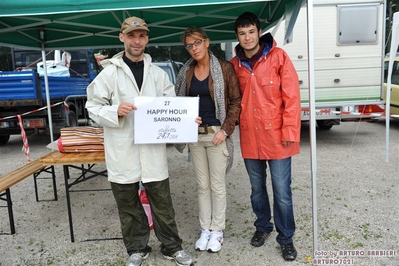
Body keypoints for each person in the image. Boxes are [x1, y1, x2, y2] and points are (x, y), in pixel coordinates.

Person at [85, 16, 193, 266]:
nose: (137, 40)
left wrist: (186, 122)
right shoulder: (109, 74)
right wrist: (114, 111)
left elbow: (171, 106)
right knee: (128, 204)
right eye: (131, 36)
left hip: (152, 151)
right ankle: (137, 248)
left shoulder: (157, 74)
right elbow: (92, 105)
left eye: (142, 35)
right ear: (122, 38)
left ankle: (172, 247)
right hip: (122, 150)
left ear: (147, 39)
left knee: (163, 204)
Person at [230, 12, 301, 261]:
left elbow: (292, 98)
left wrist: (290, 132)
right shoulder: (234, 64)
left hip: (278, 137)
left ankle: (286, 238)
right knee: (257, 190)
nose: (247, 37)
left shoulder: (279, 57)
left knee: (282, 192)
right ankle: (262, 227)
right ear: (237, 36)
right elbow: (231, 101)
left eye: (251, 31)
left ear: (259, 32)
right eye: (242, 33)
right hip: (251, 137)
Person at [175, 27, 241, 253]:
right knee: (202, 186)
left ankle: (218, 230)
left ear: (207, 42)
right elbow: (179, 102)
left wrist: (226, 130)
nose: (194, 48)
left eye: (197, 43)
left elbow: (235, 102)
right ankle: (206, 228)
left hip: (216, 133)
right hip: (194, 135)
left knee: (217, 185)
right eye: (189, 45)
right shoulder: (186, 72)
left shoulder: (224, 68)